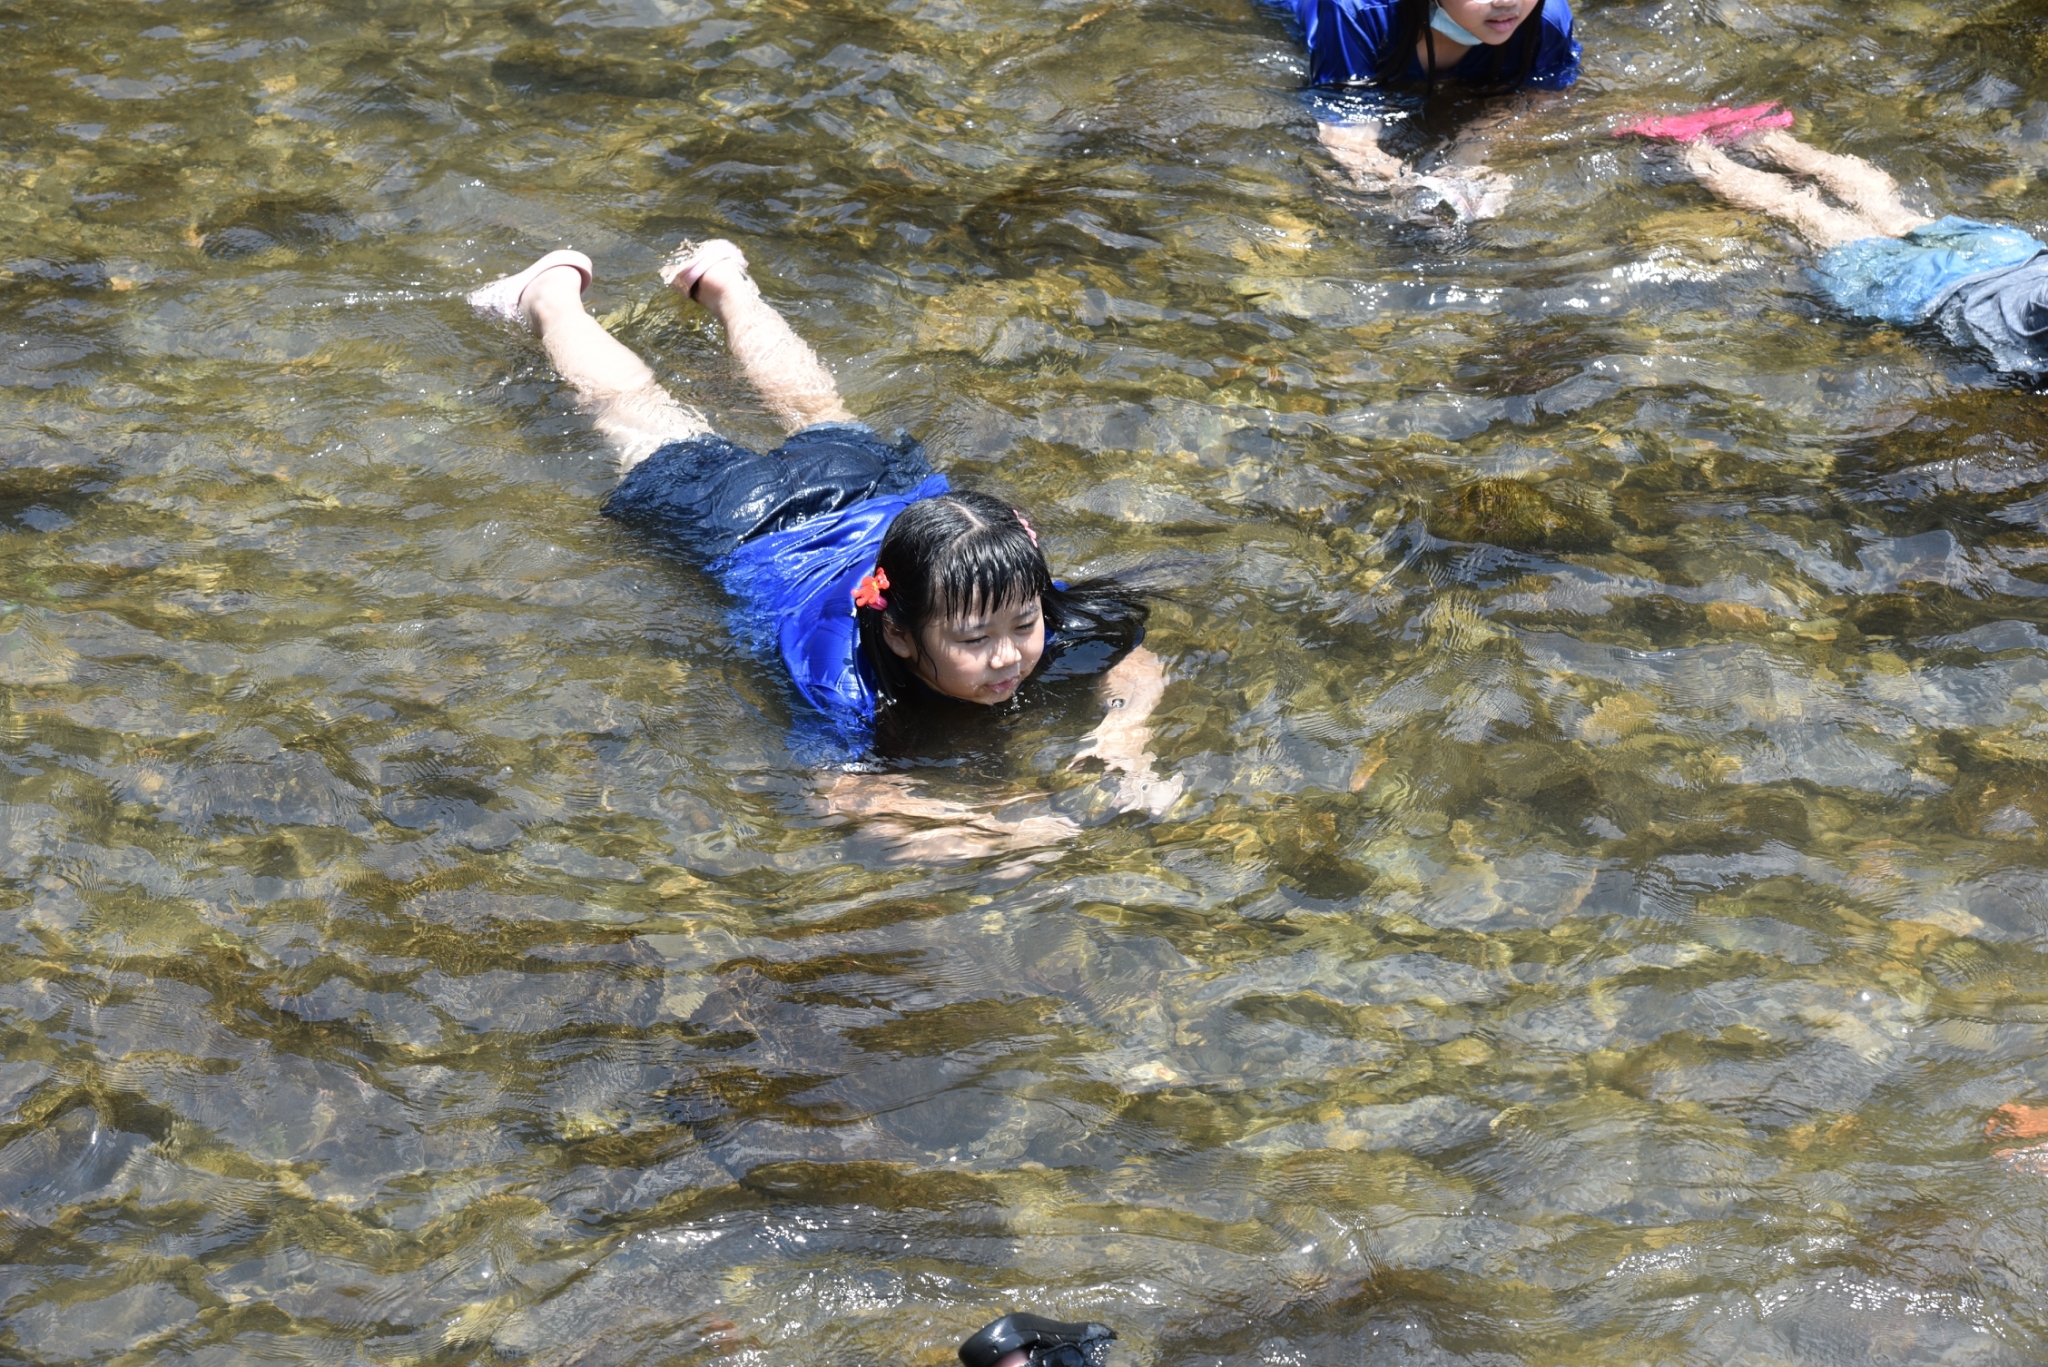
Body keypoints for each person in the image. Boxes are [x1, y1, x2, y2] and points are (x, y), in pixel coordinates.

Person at [466, 240, 1183, 837]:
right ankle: (552, 295)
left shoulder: (999, 590)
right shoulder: (844, 683)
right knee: (640, 415)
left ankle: (724, 283)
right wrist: (998, 832)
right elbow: (842, 797)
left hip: (873, 489)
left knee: (805, 406)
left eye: (1023, 625)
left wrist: (1123, 744)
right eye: (973, 639)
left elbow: (1132, 659)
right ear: (898, 634)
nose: (1008, 655)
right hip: (751, 526)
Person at [1619, 105, 2048, 375]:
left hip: (2012, 256)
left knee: (1891, 211)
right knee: (1803, 211)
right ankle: (1691, 148)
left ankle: (1764, 137)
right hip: (1936, 288)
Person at [1289, 0, 1581, 220]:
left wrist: (1471, 155)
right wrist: (1410, 189)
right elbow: (1346, 128)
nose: (1506, 2)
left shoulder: (1545, 17)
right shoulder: (1355, 10)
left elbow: (1541, 96)